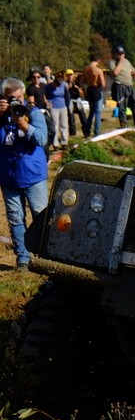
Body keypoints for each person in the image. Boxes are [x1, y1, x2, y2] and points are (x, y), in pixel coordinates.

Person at [0, 77, 49, 272]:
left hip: (33, 175)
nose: (16, 103)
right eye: (11, 99)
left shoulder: (33, 113)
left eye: (19, 98)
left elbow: (42, 138)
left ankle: (45, 255)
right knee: (15, 218)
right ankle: (23, 259)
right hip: (9, 176)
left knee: (40, 216)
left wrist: (22, 123)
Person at [110, 45, 135, 129]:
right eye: (119, 53)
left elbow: (133, 71)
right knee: (122, 107)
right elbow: (115, 73)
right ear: (115, 54)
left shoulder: (127, 61)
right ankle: (124, 126)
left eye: (122, 53)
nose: (121, 55)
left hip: (130, 86)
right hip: (120, 85)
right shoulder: (112, 62)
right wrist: (121, 61)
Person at [45, 71, 70, 150]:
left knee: (64, 125)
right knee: (55, 126)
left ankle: (64, 142)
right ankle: (55, 144)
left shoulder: (64, 85)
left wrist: (67, 106)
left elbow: (67, 96)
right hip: (53, 107)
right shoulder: (49, 86)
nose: (59, 84)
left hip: (63, 106)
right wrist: (47, 102)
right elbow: (44, 94)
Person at [83, 54, 106, 137]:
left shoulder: (85, 69)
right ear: (98, 61)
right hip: (97, 90)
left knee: (91, 112)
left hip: (89, 89)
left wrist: (84, 92)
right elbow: (103, 84)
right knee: (98, 112)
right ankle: (97, 131)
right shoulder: (98, 70)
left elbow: (82, 82)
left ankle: (87, 131)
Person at [65, 69, 88, 137]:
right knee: (71, 117)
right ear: (66, 76)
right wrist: (69, 84)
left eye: (71, 75)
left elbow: (82, 94)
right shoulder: (65, 83)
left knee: (83, 116)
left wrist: (78, 88)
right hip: (70, 100)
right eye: (68, 75)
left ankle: (86, 132)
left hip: (77, 99)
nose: (70, 76)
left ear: (73, 75)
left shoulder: (77, 82)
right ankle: (72, 133)